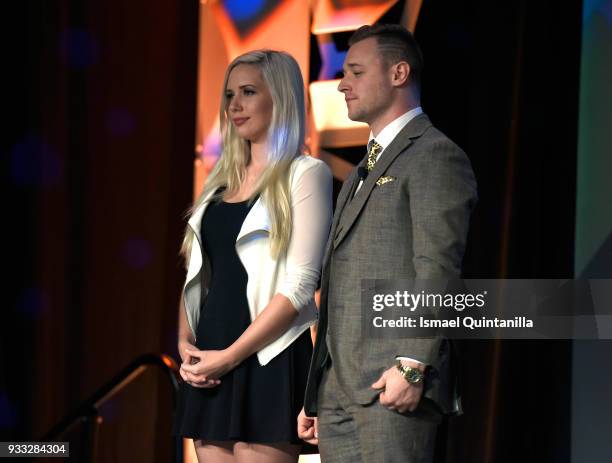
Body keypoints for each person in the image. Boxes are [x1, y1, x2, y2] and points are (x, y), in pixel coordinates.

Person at [297, 24, 478, 462]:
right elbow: (338, 280)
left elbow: (437, 267)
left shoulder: (434, 154)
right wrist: (318, 389)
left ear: (398, 73)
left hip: (391, 380)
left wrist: (413, 364)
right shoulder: (363, 167)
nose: (342, 84)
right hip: (339, 388)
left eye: (356, 71)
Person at [174, 49, 333, 463]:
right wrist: (185, 341)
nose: (234, 106)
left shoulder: (306, 174)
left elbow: (300, 285)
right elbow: (199, 272)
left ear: (279, 98)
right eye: (229, 95)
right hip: (210, 357)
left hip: (269, 355)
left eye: (248, 92)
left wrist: (228, 358)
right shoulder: (219, 181)